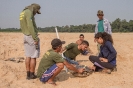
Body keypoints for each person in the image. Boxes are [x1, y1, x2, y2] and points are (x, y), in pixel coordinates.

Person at [19, 3, 41, 79]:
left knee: (28, 56)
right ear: (34, 9)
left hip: (25, 35)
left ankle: (28, 74)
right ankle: (32, 74)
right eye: (36, 11)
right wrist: (35, 38)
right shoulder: (29, 12)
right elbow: (30, 25)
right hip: (31, 36)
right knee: (33, 56)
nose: (35, 14)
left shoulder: (23, 12)